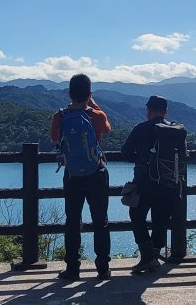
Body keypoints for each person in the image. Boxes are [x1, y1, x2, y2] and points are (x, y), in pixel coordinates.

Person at [51, 74, 112, 280]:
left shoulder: (59, 116)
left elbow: (55, 139)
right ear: (89, 94)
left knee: (72, 221)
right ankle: (102, 268)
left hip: (72, 175)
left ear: (69, 94)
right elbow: (107, 129)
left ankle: (72, 268)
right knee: (100, 221)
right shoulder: (97, 115)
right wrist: (93, 105)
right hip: (97, 173)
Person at [121, 95, 188, 274]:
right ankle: (154, 257)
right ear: (166, 111)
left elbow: (125, 152)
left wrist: (140, 159)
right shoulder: (175, 130)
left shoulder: (141, 128)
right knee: (161, 220)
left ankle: (147, 257)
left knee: (136, 215)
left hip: (145, 182)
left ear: (149, 110)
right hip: (169, 182)